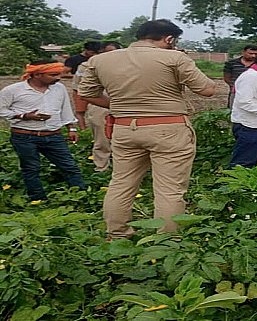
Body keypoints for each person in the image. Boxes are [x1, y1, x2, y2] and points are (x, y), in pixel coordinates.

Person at [79, 19, 217, 239]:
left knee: (121, 183)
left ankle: (117, 234)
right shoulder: (174, 57)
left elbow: (86, 93)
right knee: (170, 190)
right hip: (168, 128)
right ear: (169, 39)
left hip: (124, 129)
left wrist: (118, 106)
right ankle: (167, 241)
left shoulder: (100, 60)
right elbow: (208, 90)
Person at [0, 60, 86, 201]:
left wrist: (71, 128)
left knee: (70, 167)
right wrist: (25, 116)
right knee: (31, 169)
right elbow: (2, 110)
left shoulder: (59, 88)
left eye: (58, 74)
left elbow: (65, 110)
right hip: (24, 136)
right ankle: (37, 200)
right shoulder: (13, 90)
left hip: (53, 136)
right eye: (53, 74)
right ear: (37, 75)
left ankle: (81, 197)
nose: (58, 78)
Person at [74, 41, 122, 171]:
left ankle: (123, 170)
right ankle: (101, 168)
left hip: (126, 104)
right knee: (101, 138)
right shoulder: (87, 66)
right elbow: (78, 90)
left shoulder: (130, 66)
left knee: (126, 138)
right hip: (98, 104)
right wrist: (80, 113)